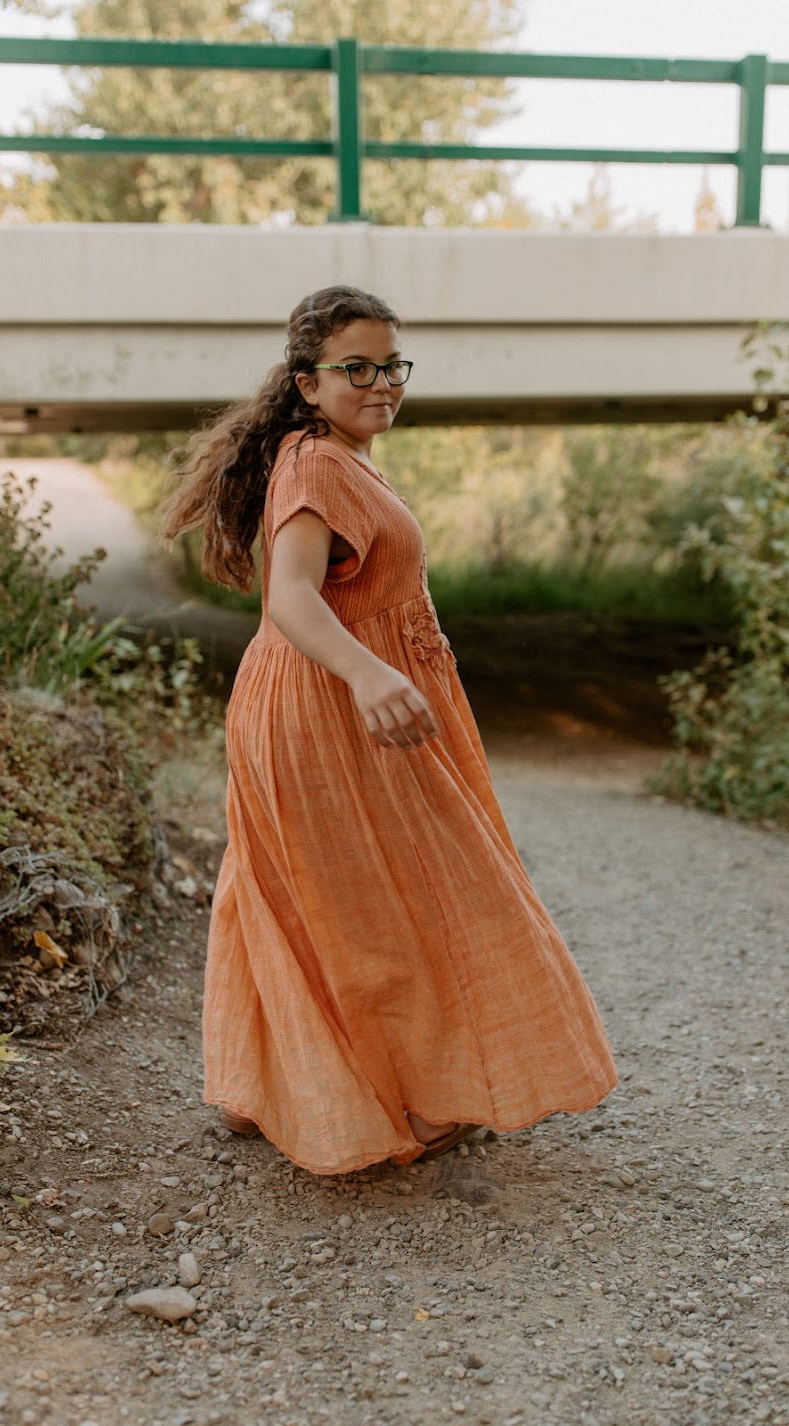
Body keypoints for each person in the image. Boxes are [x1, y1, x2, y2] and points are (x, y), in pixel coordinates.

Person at [161, 285, 617, 1175]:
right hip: (325, 708)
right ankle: (383, 1090)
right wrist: (371, 674)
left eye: (390, 366)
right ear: (307, 382)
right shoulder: (316, 466)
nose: (380, 383)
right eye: (356, 368)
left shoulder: (341, 455)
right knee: (384, 892)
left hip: (323, 699)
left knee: (303, 886)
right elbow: (290, 596)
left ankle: (274, 1086)